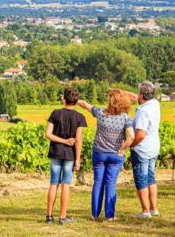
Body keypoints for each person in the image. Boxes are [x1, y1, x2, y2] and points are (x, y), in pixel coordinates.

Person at [77, 90, 135, 221]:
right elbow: (131, 137)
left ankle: (94, 214)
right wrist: (122, 149)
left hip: (99, 153)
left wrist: (72, 99)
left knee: (98, 183)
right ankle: (109, 215)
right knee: (110, 184)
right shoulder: (125, 117)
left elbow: (85, 104)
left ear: (110, 101)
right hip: (115, 155)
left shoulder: (100, 112)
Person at [45, 88, 87, 225]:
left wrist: (62, 141)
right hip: (70, 155)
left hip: (55, 152)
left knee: (53, 184)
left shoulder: (55, 113)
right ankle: (62, 217)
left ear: (64, 99)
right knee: (66, 185)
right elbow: (78, 140)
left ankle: (49, 216)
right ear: (76, 101)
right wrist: (77, 160)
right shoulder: (80, 117)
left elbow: (48, 134)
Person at [123, 82, 161, 219]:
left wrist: (131, 144)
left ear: (143, 95)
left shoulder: (143, 111)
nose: (137, 95)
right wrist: (123, 92)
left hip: (142, 150)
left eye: (139, 92)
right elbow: (136, 97)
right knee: (151, 178)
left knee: (141, 179)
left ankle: (145, 211)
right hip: (153, 147)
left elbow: (140, 134)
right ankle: (153, 208)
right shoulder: (154, 104)